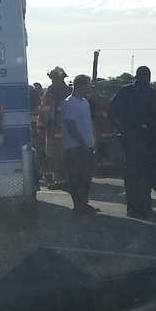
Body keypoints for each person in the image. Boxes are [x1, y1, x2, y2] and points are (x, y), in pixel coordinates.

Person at [109, 66, 156, 219]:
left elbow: (112, 112)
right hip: (140, 139)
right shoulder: (145, 93)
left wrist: (122, 130)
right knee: (142, 175)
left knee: (136, 175)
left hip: (138, 138)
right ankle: (141, 208)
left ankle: (136, 208)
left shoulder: (126, 91)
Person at [62, 75, 96, 214]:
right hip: (74, 147)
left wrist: (93, 140)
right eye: (88, 84)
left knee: (86, 178)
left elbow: (88, 123)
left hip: (87, 146)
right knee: (76, 178)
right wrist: (81, 143)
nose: (90, 87)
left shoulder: (84, 102)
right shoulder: (69, 102)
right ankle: (78, 205)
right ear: (81, 85)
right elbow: (70, 125)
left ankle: (84, 203)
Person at [40, 68, 71, 189]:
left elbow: (45, 110)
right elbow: (45, 110)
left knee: (60, 154)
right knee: (55, 155)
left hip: (62, 128)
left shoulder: (58, 91)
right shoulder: (53, 91)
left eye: (54, 78)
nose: (53, 80)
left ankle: (62, 178)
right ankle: (60, 178)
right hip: (56, 129)